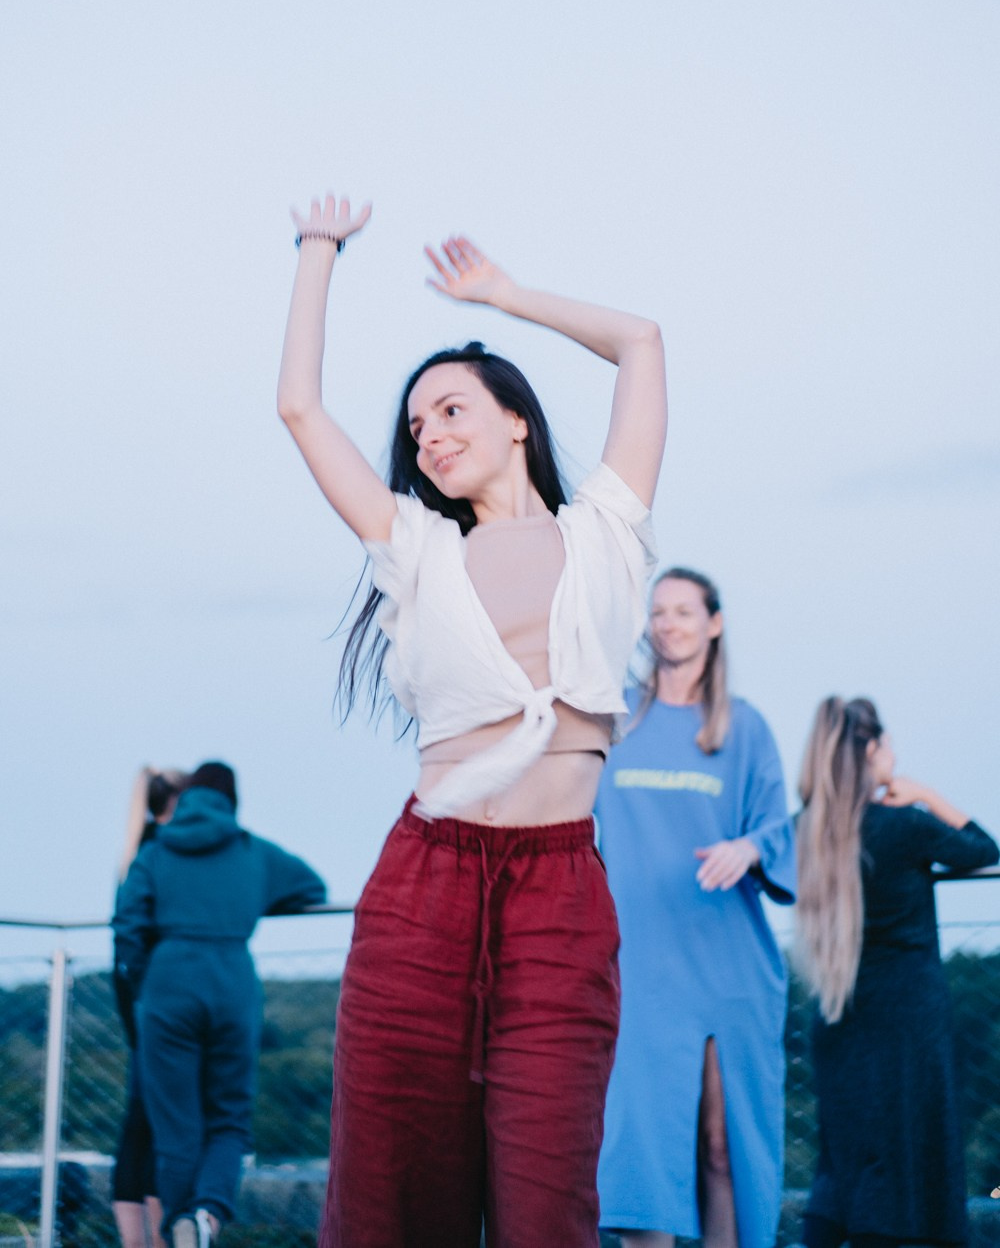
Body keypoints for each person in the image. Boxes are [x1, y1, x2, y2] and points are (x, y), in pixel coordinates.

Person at [277, 194, 666, 1248]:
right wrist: (319, 250)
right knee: (396, 1199)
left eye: (451, 409)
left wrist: (502, 297)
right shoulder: (415, 547)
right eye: (415, 425)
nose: (429, 435)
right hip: (425, 890)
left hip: (558, 896)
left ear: (516, 420)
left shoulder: (609, 530)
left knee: (546, 1205)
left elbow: (640, 342)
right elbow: (300, 410)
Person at [595, 567, 796, 1248]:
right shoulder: (614, 717)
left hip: (726, 965)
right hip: (634, 969)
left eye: (684, 611)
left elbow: (780, 827)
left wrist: (750, 847)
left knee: (721, 1145)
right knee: (639, 1154)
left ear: (714, 622)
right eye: (658, 612)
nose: (669, 624)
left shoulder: (743, 727)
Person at [795, 696, 999, 1248]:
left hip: (838, 1017)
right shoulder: (906, 826)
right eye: (886, 745)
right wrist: (926, 795)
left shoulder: (810, 831)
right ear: (869, 750)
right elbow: (984, 848)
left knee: (841, 1164)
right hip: (907, 1021)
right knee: (900, 1163)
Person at [113, 761, 327, 1248]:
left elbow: (127, 923)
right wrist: (248, 899)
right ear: (234, 800)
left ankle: (179, 1221)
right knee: (229, 1118)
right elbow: (312, 888)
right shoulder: (252, 850)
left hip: (167, 985)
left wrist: (149, 979)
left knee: (175, 1127)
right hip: (232, 980)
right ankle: (207, 1217)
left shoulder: (156, 850)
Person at [112, 768, 187, 1248]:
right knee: (161, 1119)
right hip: (158, 995)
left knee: (141, 1115)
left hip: (134, 993)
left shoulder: (134, 850)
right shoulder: (166, 852)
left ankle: (137, 1241)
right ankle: (158, 1240)